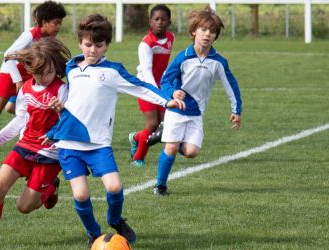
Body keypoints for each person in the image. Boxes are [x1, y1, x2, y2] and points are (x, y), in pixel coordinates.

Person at [43, 14, 185, 248]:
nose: (92, 50)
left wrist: (166, 100)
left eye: (98, 46)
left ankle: (115, 220)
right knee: (80, 195)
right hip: (69, 144)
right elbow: (64, 95)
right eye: (88, 45)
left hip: (98, 144)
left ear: (107, 45)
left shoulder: (113, 71)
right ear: (80, 43)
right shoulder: (71, 68)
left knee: (115, 187)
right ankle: (94, 234)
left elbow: (140, 86)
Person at [0, 37, 71, 249]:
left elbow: (72, 121)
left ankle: (50, 188)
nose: (45, 77)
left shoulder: (62, 90)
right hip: (24, 147)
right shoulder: (26, 89)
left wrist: (62, 109)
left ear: (55, 66)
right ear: (30, 69)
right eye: (39, 73)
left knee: (24, 206)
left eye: (49, 71)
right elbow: (20, 119)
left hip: (49, 154)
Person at [153, 7, 242, 196]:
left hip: (196, 113)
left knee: (192, 151)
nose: (207, 34)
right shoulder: (183, 58)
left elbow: (231, 85)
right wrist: (173, 94)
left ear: (216, 36)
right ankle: (160, 185)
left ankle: (165, 136)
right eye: (203, 30)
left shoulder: (218, 62)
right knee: (171, 147)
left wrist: (237, 110)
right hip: (177, 110)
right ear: (194, 31)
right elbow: (165, 81)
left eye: (212, 31)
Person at [0, 0, 67, 152]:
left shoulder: (49, 38)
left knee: (26, 106)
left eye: (60, 23)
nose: (59, 27)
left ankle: (33, 135)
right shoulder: (30, 35)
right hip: (10, 72)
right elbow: (8, 55)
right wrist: (18, 81)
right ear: (44, 22)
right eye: (56, 23)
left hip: (29, 75)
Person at [128, 4, 175, 167]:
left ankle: (136, 137)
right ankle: (138, 158)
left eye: (163, 19)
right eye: (156, 19)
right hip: (144, 86)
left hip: (160, 87)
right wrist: (156, 92)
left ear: (169, 21)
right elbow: (147, 72)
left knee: (165, 126)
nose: (160, 22)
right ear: (150, 22)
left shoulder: (170, 38)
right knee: (153, 123)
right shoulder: (146, 44)